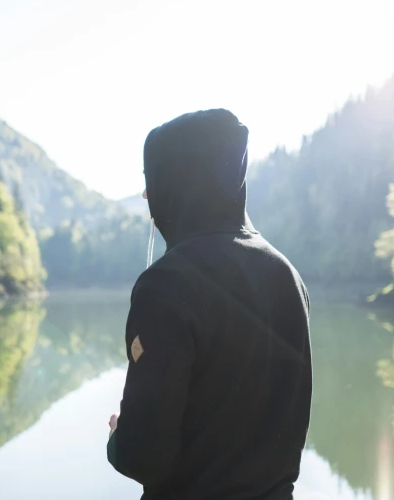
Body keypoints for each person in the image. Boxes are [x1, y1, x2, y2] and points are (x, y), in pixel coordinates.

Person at [107, 109, 312, 500]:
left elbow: (144, 456)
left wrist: (119, 438)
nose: (148, 196)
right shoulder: (288, 275)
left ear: (178, 182)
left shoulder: (166, 285)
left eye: (152, 179)